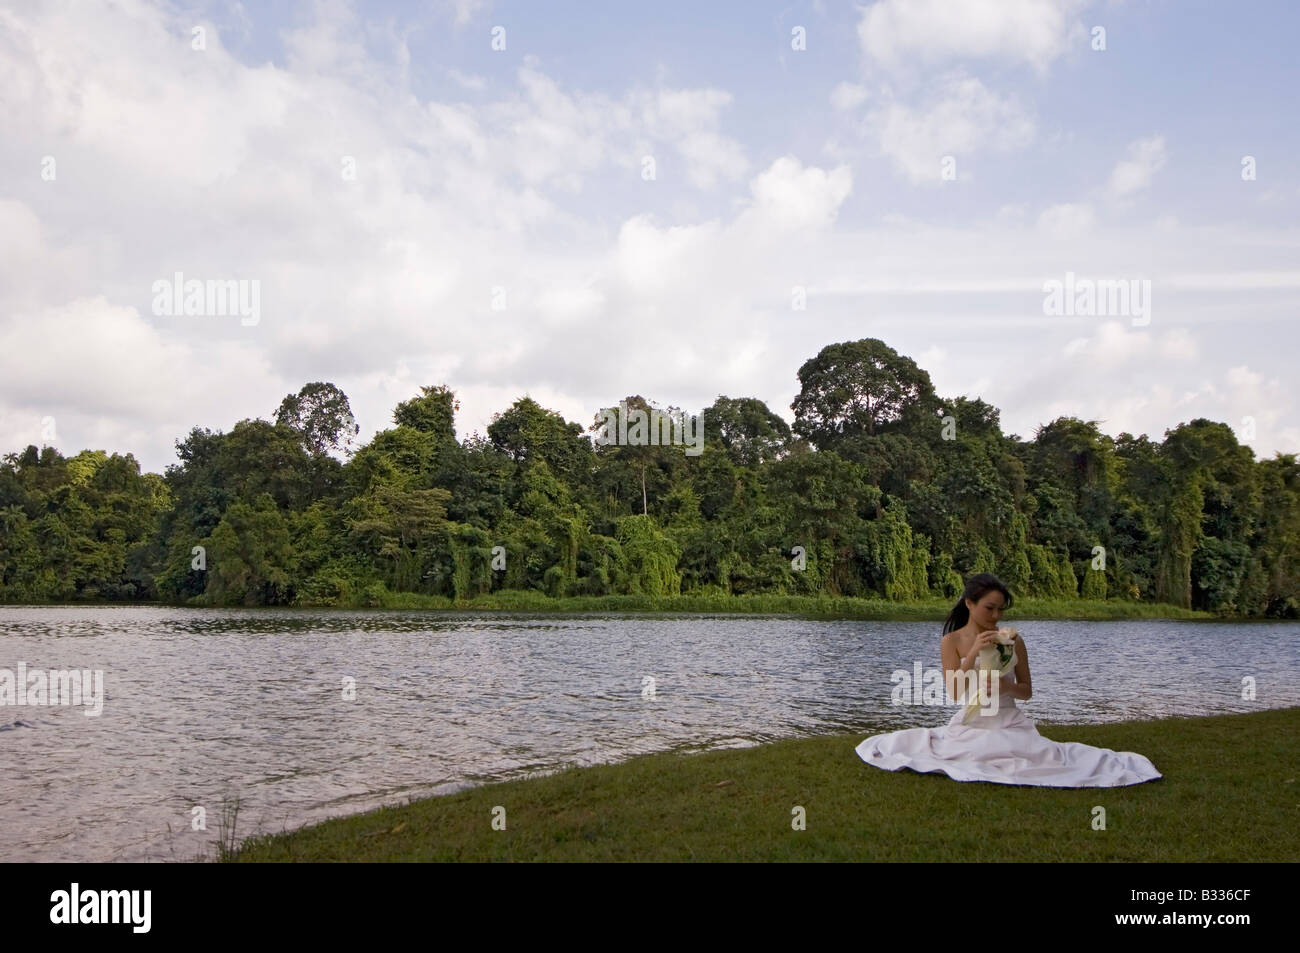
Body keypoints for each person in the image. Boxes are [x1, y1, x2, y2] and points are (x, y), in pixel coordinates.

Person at [855, 572, 1162, 787]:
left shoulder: (1013, 640)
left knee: (1031, 756)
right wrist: (973, 652)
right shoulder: (952, 641)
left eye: (1001, 610)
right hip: (973, 719)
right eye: (990, 608)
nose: (996, 616)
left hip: (1009, 718)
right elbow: (954, 692)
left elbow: (1027, 692)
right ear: (970, 604)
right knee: (975, 750)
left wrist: (1006, 686)